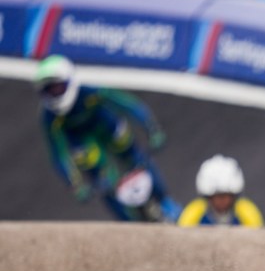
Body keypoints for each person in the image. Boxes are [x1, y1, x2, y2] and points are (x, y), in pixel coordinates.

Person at [34, 54, 180, 222]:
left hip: (106, 126)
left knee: (136, 157)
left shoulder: (91, 91)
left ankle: (164, 201)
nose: (54, 94)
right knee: (102, 181)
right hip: (83, 141)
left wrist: (152, 128)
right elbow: (58, 155)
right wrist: (75, 185)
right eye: (48, 90)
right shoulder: (48, 117)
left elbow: (127, 104)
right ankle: (129, 224)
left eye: (58, 87)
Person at [177, 155, 264, 228]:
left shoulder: (246, 211)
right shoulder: (195, 212)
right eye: (218, 197)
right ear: (209, 197)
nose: (222, 201)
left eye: (226, 196)